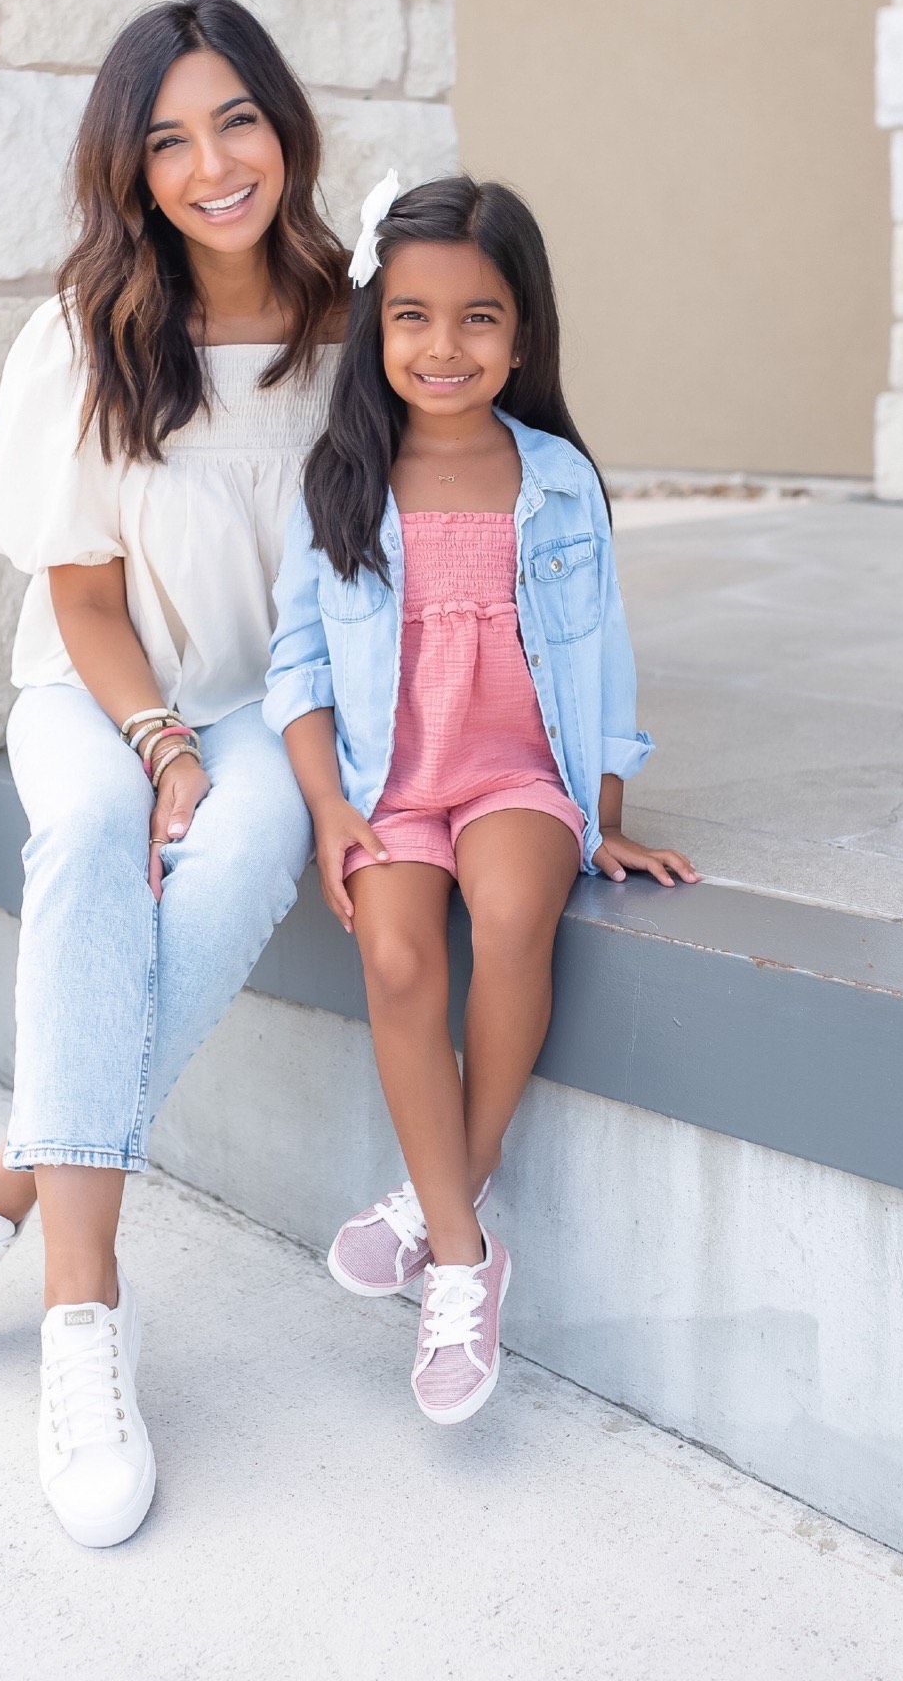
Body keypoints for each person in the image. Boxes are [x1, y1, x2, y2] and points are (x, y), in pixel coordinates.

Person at [0, 0, 346, 1547]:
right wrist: (156, 736)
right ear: (130, 171)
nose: (211, 165)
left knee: (252, 850)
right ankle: (83, 1317)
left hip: (278, 697)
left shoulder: (350, 322)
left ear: (282, 125)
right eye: (170, 141)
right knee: (92, 845)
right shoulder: (77, 338)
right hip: (100, 684)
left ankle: (3, 1184)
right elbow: (76, 592)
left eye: (235, 122)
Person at [265, 173, 698, 1427]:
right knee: (398, 954)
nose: (442, 347)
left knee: (512, 914)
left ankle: (442, 1216)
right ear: (375, 325)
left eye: (477, 319)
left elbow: (602, 659)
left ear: (522, 332)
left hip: (518, 772)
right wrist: (330, 811)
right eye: (412, 316)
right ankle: (468, 1245)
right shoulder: (343, 477)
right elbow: (294, 663)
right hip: (389, 785)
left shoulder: (558, 479)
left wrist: (601, 809)